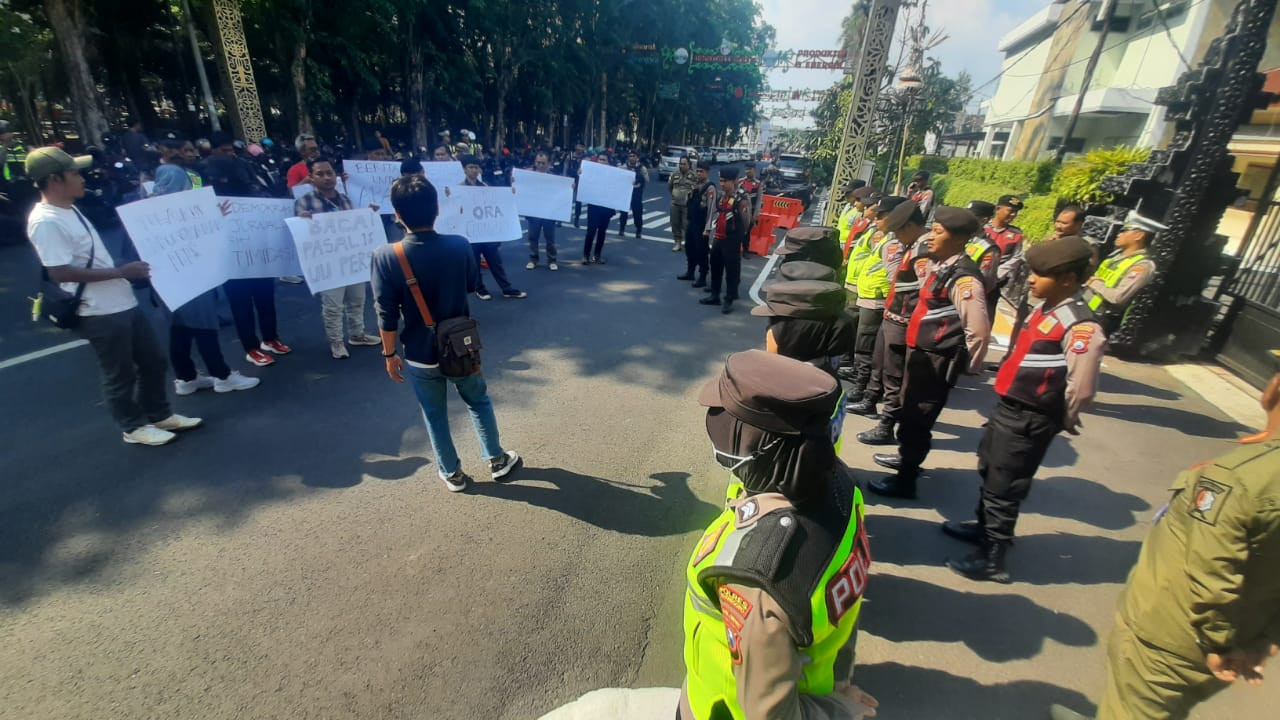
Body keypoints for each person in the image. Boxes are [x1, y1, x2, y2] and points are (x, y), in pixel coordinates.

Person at [680, 349, 878, 720]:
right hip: (814, 676)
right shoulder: (838, 486)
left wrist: (838, 709)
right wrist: (839, 683)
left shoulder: (758, 576)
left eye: (727, 417)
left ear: (759, 445)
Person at [1049, 411, 1280, 720]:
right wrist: (1267, 639)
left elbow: (1212, 573)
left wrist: (1220, 643)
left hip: (1177, 640)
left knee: (1138, 705)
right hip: (1242, 634)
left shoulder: (1239, 477)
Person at [943, 236, 1103, 583]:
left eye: (1041, 273)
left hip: (1031, 415)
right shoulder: (1046, 308)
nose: (1031, 279)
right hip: (1009, 408)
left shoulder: (1080, 324)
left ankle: (993, 555)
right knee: (990, 469)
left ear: (1068, 279)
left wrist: (1066, 416)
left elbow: (1082, 386)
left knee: (1006, 484)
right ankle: (985, 529)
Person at [26, 147, 202, 446]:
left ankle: (159, 414)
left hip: (122, 302)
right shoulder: (46, 221)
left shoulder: (69, 208)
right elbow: (59, 272)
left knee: (153, 361)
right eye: (74, 174)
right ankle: (133, 427)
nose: (82, 178)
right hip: (97, 311)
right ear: (54, 180)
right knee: (119, 373)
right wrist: (122, 272)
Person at [371, 174, 522, 492]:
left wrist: (388, 354)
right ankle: (496, 459)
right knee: (477, 401)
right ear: (437, 208)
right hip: (460, 346)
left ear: (397, 215)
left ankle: (451, 472)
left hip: (419, 353)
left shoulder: (386, 256)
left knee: (434, 412)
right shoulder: (459, 245)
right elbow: (470, 285)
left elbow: (385, 315)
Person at [868, 206, 991, 499]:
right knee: (911, 413)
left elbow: (979, 329)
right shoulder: (944, 265)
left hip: (937, 358)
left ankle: (905, 480)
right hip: (923, 352)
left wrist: (967, 365)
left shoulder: (963, 278)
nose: (930, 237)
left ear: (959, 238)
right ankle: (905, 462)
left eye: (937, 232)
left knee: (917, 419)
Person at [152, 135, 259, 395]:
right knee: (203, 325)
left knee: (180, 329)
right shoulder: (174, 211)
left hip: (168, 278)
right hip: (191, 275)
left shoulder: (152, 210)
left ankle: (186, 377)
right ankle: (221, 375)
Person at [852, 202, 930, 441]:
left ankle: (886, 425)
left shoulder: (923, 251)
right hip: (891, 315)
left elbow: (927, 293)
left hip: (904, 321)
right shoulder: (910, 245)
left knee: (894, 376)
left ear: (910, 226)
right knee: (880, 365)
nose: (895, 235)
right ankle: (871, 402)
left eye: (898, 229)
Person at [294, 156, 383, 359]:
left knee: (357, 299)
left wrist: (368, 215)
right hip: (327, 264)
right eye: (320, 174)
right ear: (311, 177)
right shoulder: (304, 202)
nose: (326, 178)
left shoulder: (344, 199)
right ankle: (336, 342)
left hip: (350, 261)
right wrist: (303, 220)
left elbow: (353, 227)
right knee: (333, 306)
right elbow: (301, 232)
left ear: (335, 175)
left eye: (329, 173)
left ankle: (357, 334)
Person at [1004, 205, 1085, 357]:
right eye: (1058, 221)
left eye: (1064, 223)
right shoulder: (1052, 239)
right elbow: (1032, 260)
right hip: (1033, 296)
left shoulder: (1082, 247)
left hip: (1055, 298)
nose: (1059, 226)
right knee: (1020, 325)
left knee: (1040, 334)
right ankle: (1009, 357)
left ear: (1078, 224)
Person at [456, 155, 526, 299]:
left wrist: (510, 194)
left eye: (476, 167)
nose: (474, 170)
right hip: (471, 233)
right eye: (470, 167)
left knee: (495, 261)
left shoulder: (485, 187)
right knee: (474, 262)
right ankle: (480, 288)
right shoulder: (459, 188)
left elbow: (495, 205)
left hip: (486, 232)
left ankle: (507, 288)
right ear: (464, 170)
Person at [753, 280, 854, 378]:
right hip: (824, 378)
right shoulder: (842, 324)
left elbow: (772, 359)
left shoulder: (776, 329)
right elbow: (838, 351)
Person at [1084, 210, 1161, 334]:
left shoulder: (1142, 265)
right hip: (1086, 310)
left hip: (1101, 318)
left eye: (1124, 231)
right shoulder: (1116, 256)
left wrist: (1094, 283)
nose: (1119, 234)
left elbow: (1118, 297)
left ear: (1138, 235)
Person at [699, 166, 751, 314]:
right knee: (715, 264)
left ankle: (729, 298)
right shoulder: (722, 196)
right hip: (719, 236)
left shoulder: (741, 198)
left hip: (732, 239)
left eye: (725, 181)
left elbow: (746, 221)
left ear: (734, 181)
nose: (722, 184)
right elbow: (715, 213)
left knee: (731, 269)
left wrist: (739, 238)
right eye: (721, 181)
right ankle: (715, 295)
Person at [677, 161, 716, 286]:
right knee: (689, 247)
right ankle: (690, 272)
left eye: (701, 171)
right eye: (697, 171)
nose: (699, 174)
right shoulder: (695, 185)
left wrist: (708, 228)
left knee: (702, 251)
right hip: (692, 221)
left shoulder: (710, 188)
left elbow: (711, 209)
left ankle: (703, 276)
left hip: (702, 224)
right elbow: (687, 201)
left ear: (707, 172)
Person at [962, 202, 1003, 317]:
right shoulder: (963, 237)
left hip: (971, 300)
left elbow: (987, 282)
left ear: (983, 220)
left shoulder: (988, 248)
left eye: (971, 217)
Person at [523, 151, 559, 271]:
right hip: (534, 213)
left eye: (543, 163)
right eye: (538, 162)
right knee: (533, 237)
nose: (541, 165)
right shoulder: (528, 175)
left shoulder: (554, 177)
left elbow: (561, 191)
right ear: (535, 162)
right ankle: (533, 259)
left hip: (549, 213)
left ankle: (552, 260)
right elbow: (521, 188)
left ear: (548, 163)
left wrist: (569, 188)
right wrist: (515, 181)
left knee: (550, 239)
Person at [581, 155, 616, 265]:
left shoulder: (613, 174)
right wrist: (580, 174)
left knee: (602, 232)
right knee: (591, 231)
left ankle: (597, 255)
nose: (601, 161)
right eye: (600, 159)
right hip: (594, 206)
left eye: (604, 160)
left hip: (606, 208)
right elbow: (583, 181)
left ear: (608, 162)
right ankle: (586, 255)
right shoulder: (592, 172)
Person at [668, 155, 696, 253]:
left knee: (687, 225)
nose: (681, 166)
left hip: (687, 206)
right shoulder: (674, 174)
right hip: (675, 204)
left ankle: (688, 242)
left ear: (689, 165)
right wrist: (675, 195)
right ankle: (677, 242)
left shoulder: (693, 176)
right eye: (680, 163)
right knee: (675, 224)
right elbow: (670, 187)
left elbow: (696, 190)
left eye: (684, 164)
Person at [616, 150, 648, 239]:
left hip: (637, 193)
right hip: (626, 193)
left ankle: (638, 230)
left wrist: (639, 182)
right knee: (623, 212)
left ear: (637, 157)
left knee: (637, 212)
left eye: (634, 156)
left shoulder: (642, 168)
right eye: (630, 156)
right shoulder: (623, 167)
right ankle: (621, 229)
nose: (632, 157)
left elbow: (646, 180)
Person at [739, 163, 763, 256]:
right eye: (746, 169)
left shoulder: (758, 183)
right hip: (741, 210)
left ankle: (745, 250)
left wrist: (756, 214)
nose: (748, 171)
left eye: (750, 169)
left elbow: (759, 200)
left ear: (754, 169)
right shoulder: (741, 182)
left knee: (747, 231)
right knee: (738, 230)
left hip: (751, 211)